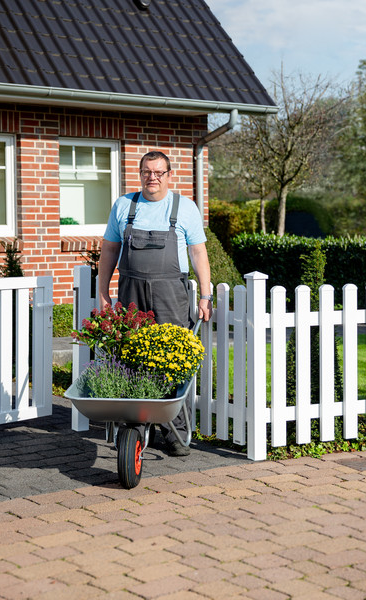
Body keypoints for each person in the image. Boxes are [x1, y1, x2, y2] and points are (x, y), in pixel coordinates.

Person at [97, 150, 212, 457]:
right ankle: (133, 423)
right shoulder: (124, 206)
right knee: (130, 354)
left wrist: (205, 294)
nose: (152, 177)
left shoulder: (184, 208)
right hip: (131, 292)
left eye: (159, 172)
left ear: (169, 175)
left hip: (170, 295)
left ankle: (175, 431)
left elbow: (198, 253)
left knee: (174, 357)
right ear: (140, 173)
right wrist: (104, 292)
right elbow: (109, 250)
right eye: (147, 171)